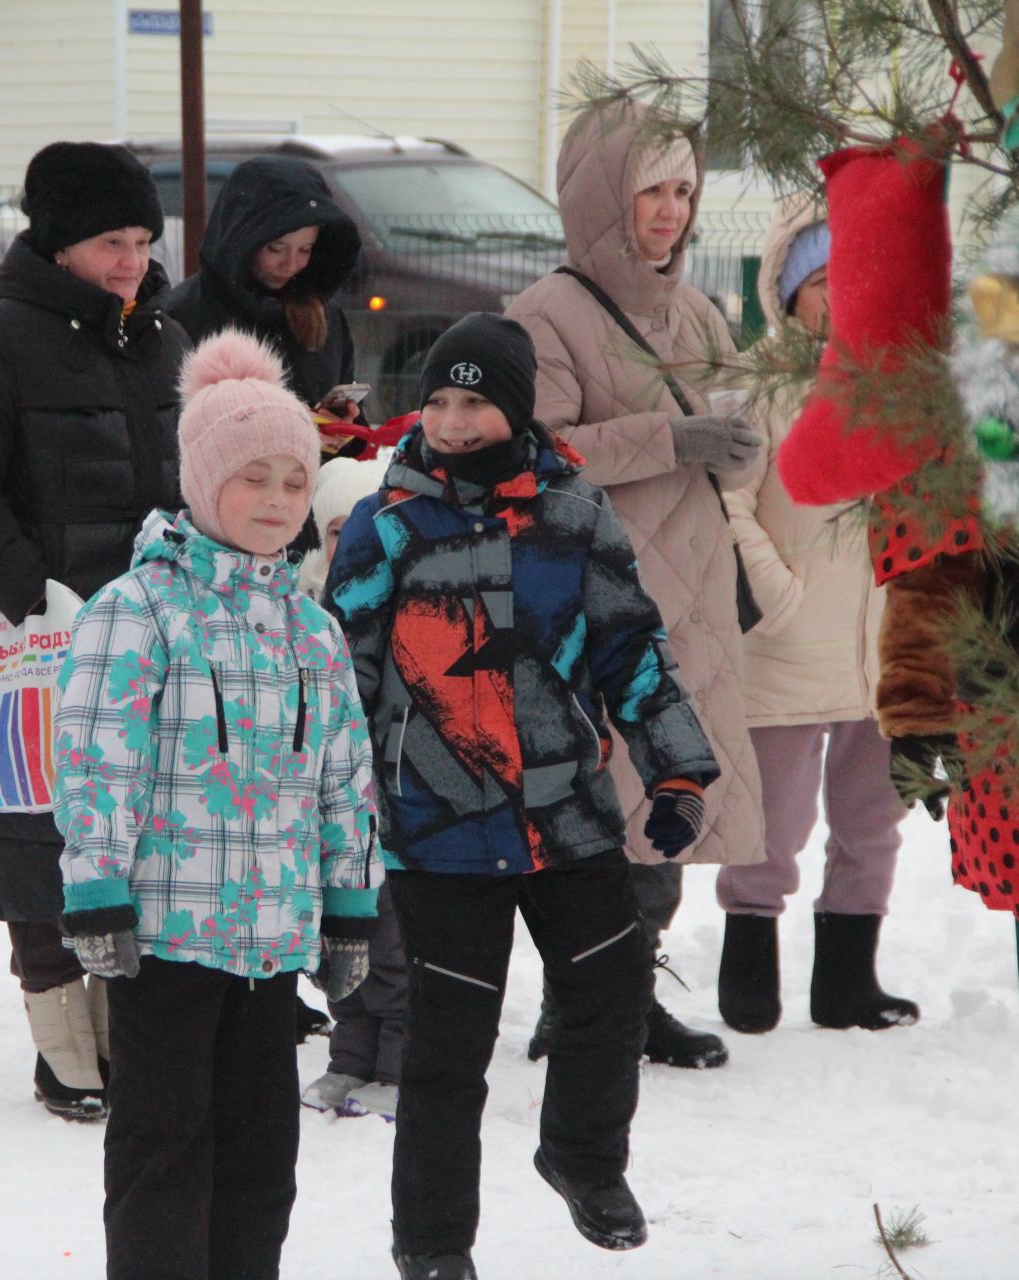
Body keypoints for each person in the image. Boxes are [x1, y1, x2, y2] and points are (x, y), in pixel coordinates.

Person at [326, 314, 719, 1279]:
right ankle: (431, 1243)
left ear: (516, 406)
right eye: (441, 402)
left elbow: (631, 646)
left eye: (476, 402)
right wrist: (341, 813)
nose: (455, 423)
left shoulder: (573, 513)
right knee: (447, 1050)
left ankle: (582, 1157)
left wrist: (675, 767)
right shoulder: (386, 524)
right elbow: (341, 678)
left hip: (562, 811)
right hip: (439, 825)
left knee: (611, 987)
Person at [53, 327, 382, 1280]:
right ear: (201, 484)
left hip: (272, 942)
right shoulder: (137, 609)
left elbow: (342, 778)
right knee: (164, 1154)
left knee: (260, 1164)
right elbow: (93, 760)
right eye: (254, 480)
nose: (279, 502)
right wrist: (95, 890)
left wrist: (350, 905)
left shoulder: (311, 629)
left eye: (295, 481)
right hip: (163, 939)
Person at [0, 141, 184, 1121]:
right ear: (60, 242)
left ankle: (122, 1024)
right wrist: (35, 594)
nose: (130, 259)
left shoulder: (161, 335)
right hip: (29, 631)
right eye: (110, 240)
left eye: (142, 239)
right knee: (35, 827)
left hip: (149, 628)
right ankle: (60, 1042)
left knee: (137, 824)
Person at [506, 101, 766, 1071]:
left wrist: (740, 444)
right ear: (600, 196)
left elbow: (733, 436)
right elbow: (535, 454)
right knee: (595, 815)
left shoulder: (697, 310)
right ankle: (579, 1001)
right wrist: (674, 437)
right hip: (598, 601)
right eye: (650, 188)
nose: (671, 210)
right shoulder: (545, 314)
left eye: (685, 190)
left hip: (690, 599)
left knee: (668, 804)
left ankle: (635, 991)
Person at [716, 196, 917, 1034]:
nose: (841, 297)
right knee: (773, 825)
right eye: (823, 280)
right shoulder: (756, 386)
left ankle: (846, 984)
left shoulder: (904, 384)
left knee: (873, 823)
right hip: (789, 640)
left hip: (885, 646)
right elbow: (727, 505)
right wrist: (776, 594)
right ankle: (748, 976)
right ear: (789, 290)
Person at [297, 454, 408, 1118]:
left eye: (362, 528)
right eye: (336, 530)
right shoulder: (302, 604)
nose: (349, 544)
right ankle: (350, 1054)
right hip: (317, 809)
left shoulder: (402, 602)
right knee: (333, 942)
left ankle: (398, 1063)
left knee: (389, 945)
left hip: (386, 808)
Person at [164, 155, 366, 426]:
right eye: (276, 248)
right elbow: (173, 432)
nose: (291, 264)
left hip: (314, 468)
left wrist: (345, 428)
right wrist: (289, 430)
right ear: (241, 240)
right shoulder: (184, 315)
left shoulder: (325, 316)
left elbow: (353, 429)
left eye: (306, 249)